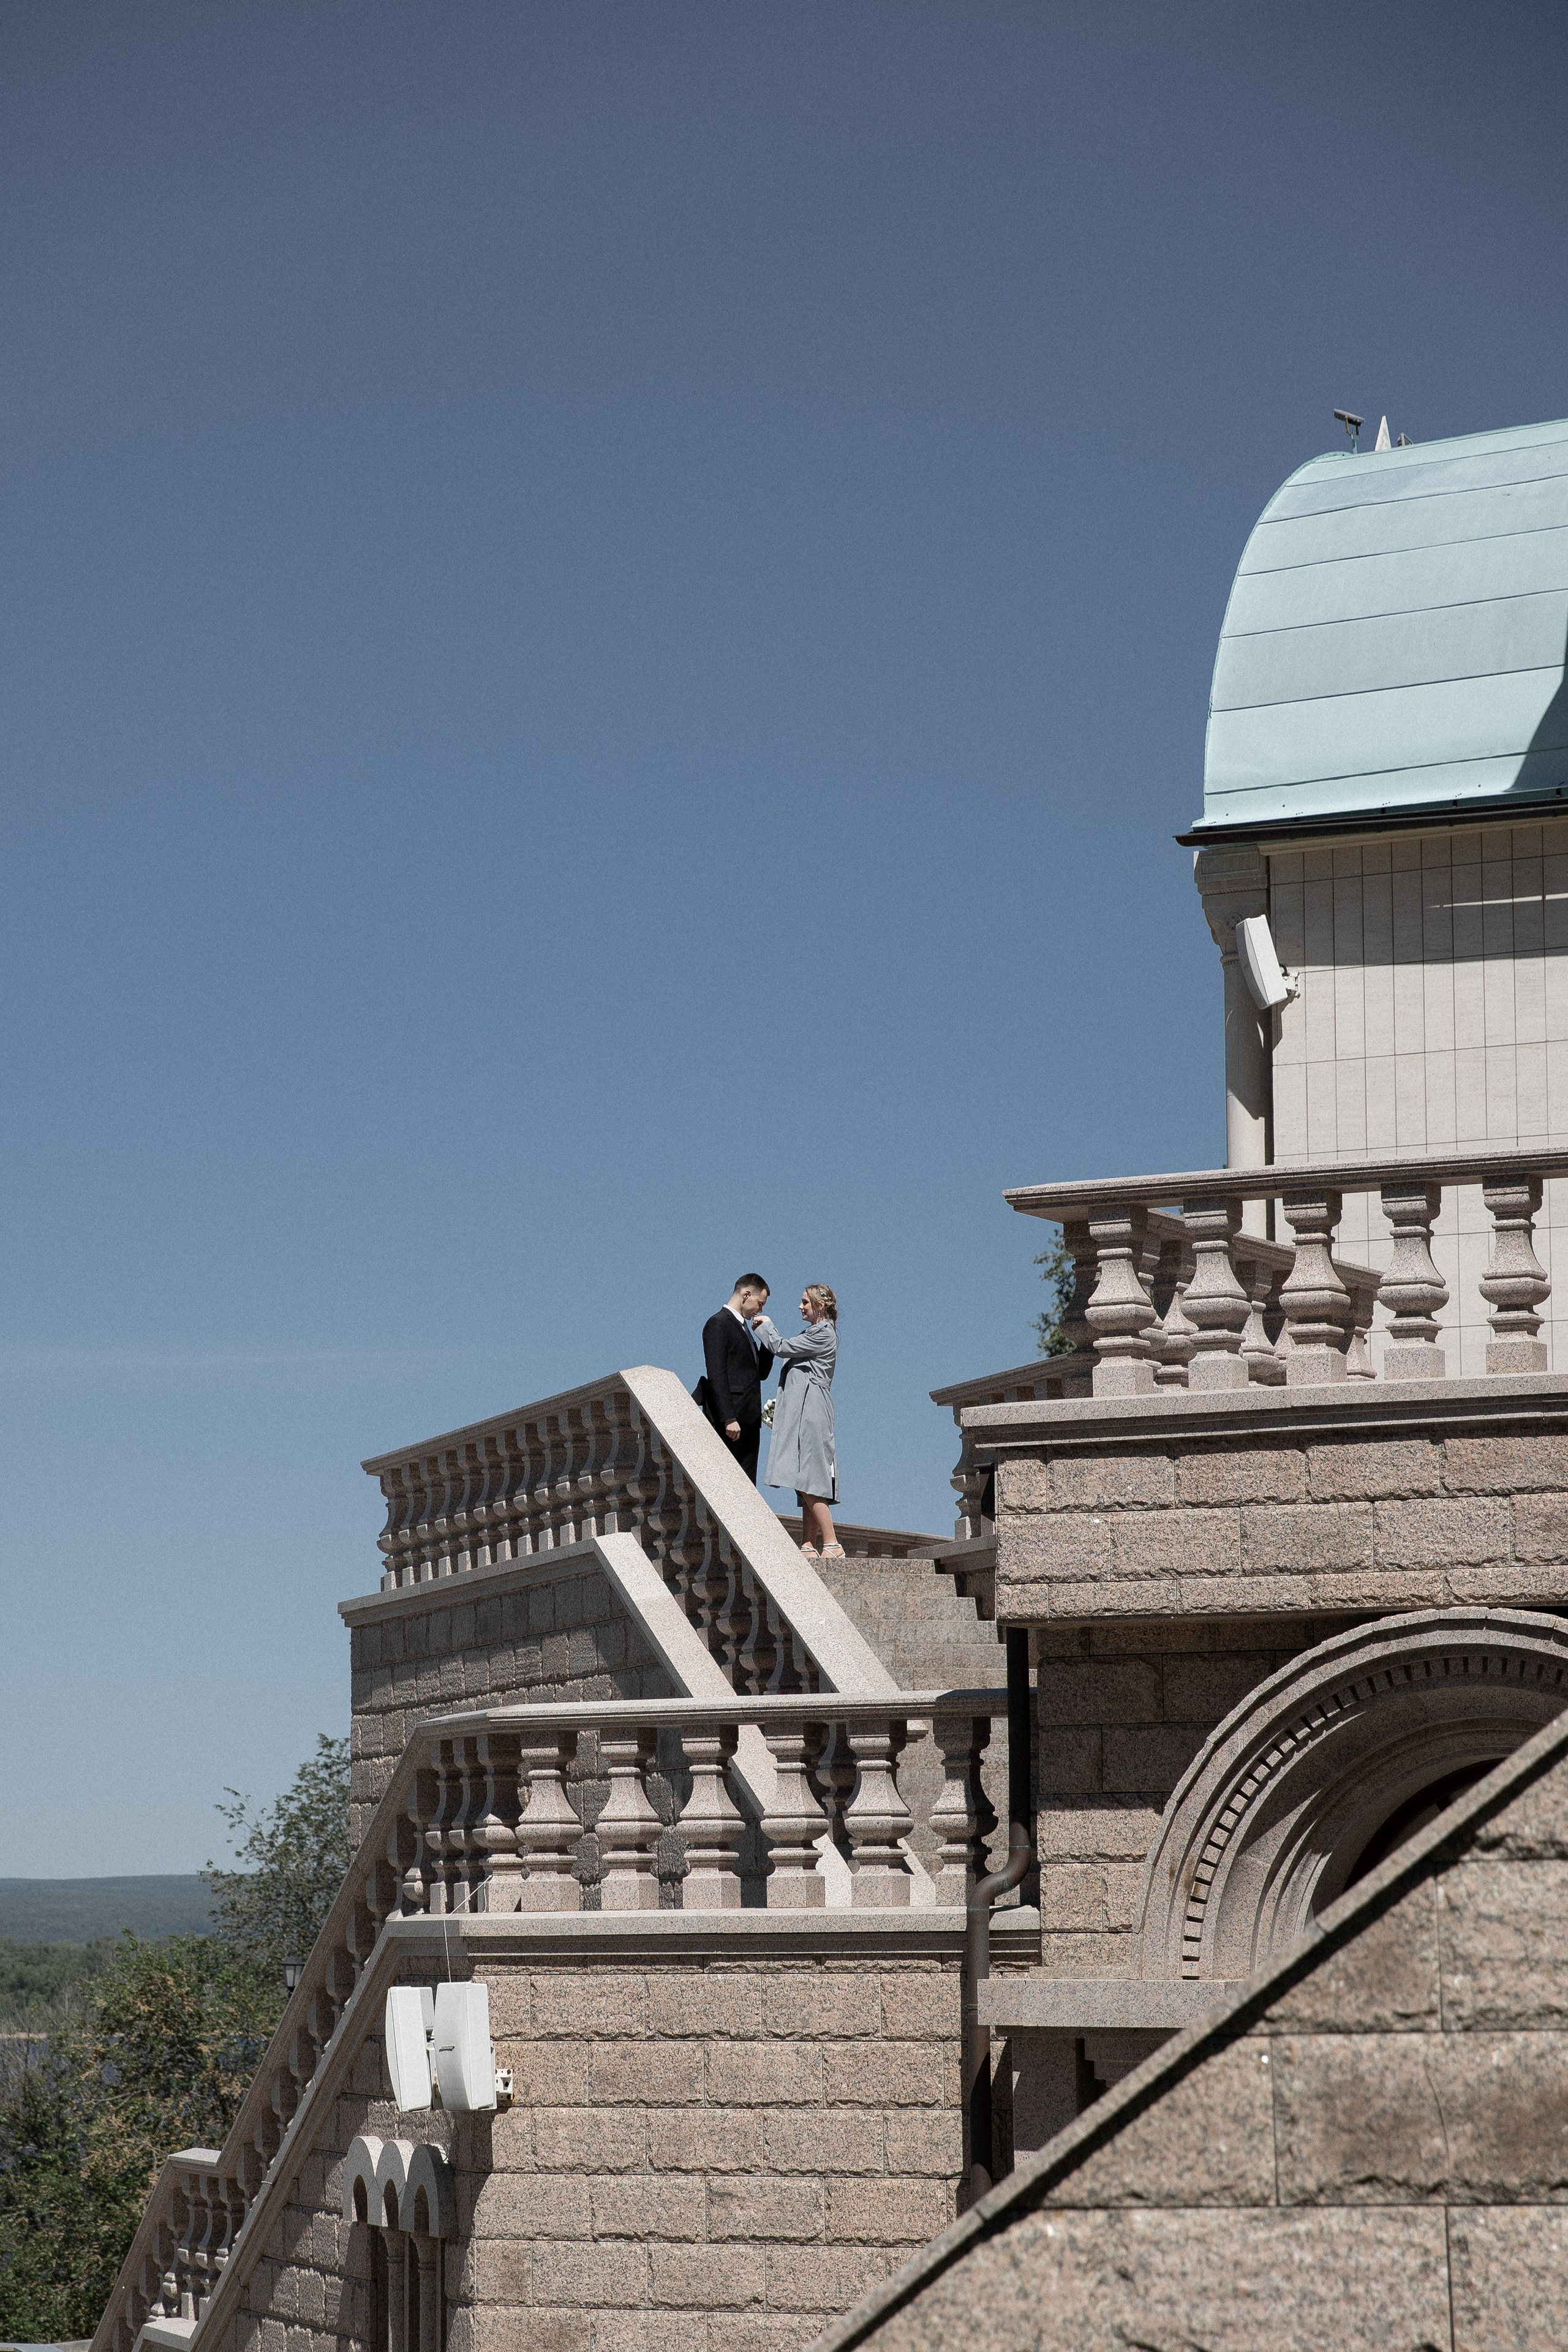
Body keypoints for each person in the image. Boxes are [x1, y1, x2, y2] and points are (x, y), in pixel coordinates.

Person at [754, 1284, 841, 1559]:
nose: (800, 1306)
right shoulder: (816, 1333)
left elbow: (782, 1347)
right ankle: (808, 1544)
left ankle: (832, 1544)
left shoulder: (823, 1333)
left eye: (805, 1302)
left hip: (812, 1409)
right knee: (806, 1475)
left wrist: (766, 1326)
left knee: (810, 1476)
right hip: (806, 1408)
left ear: (820, 1305)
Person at [698, 1273, 775, 1483]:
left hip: (750, 1422)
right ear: (746, 1294)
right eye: (760, 1304)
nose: (760, 1310)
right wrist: (729, 1418)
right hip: (731, 1422)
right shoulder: (718, 1324)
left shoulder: (746, 1330)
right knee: (724, 1482)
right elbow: (717, 1374)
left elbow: (762, 1374)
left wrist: (767, 1338)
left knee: (747, 1485)